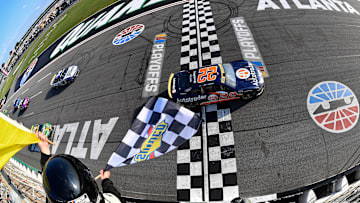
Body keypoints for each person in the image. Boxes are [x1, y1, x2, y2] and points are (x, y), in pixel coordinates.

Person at [36, 131, 122, 203]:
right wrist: (105, 180)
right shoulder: (113, 200)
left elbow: (53, 186)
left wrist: (45, 150)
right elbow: (112, 193)